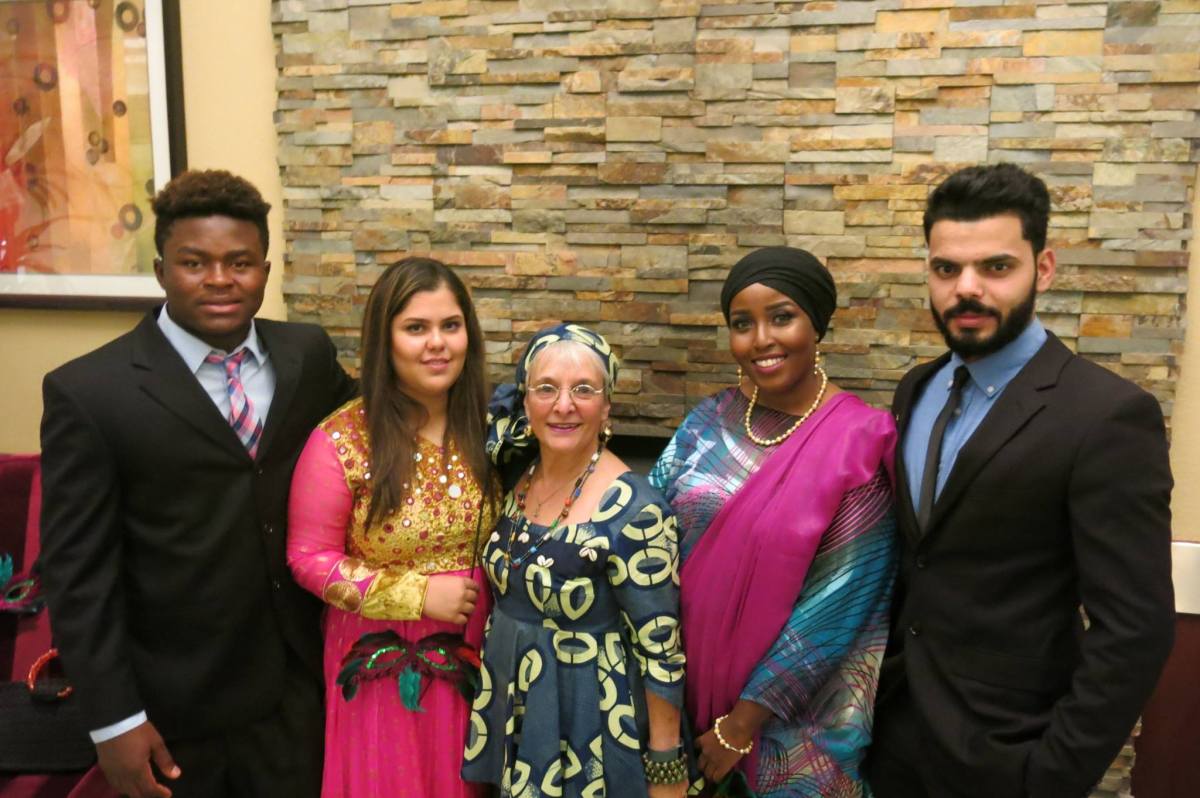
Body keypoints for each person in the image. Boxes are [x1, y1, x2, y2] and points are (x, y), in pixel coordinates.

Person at [38, 170, 356, 798]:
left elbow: (377, 429)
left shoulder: (307, 356)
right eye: (194, 263)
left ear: (265, 270)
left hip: (296, 692)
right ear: (161, 271)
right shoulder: (90, 393)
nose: (219, 279)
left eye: (240, 262)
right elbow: (78, 576)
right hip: (174, 708)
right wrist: (114, 721)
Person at [863, 163, 1175, 798]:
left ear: (1044, 268)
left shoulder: (1107, 416)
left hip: (1007, 758)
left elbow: (1135, 630)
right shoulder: (916, 388)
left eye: (996, 267)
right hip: (891, 740)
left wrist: (1050, 776)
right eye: (946, 268)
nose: (966, 289)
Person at [649, 247, 898, 797]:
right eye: (743, 324)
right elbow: (648, 536)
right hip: (679, 702)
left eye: (781, 317)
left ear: (817, 324)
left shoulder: (859, 442)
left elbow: (842, 603)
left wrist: (741, 725)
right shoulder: (705, 422)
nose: (761, 339)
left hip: (795, 733)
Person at [286, 257, 497, 798]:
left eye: (451, 326)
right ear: (385, 340)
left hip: (482, 649)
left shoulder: (494, 430)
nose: (437, 344)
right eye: (416, 328)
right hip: (380, 656)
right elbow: (308, 558)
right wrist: (417, 595)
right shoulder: (342, 440)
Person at [462, 324, 690, 798]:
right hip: (516, 709)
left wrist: (665, 765)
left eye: (583, 390)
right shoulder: (519, 477)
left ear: (606, 406)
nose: (563, 405)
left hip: (591, 722)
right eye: (546, 388)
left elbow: (660, 651)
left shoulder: (636, 511)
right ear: (526, 401)